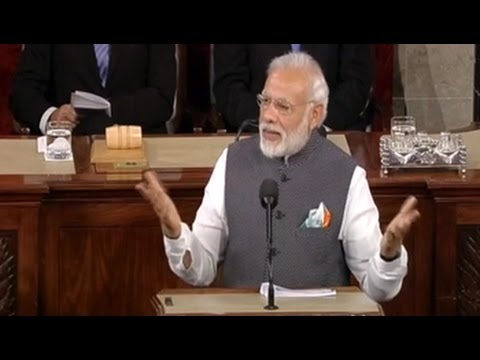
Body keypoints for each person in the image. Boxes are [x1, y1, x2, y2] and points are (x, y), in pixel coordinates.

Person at [136, 52, 419, 302]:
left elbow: (378, 289)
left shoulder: (346, 176)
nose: (268, 115)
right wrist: (175, 233)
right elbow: (201, 269)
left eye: (283, 106)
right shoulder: (231, 162)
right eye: (265, 101)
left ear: (315, 115)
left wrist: (388, 254)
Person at [10, 44, 176, 135]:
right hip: (68, 150)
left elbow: (162, 98)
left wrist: (108, 110)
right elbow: (23, 91)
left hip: (139, 145)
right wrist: (51, 117)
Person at [213, 44, 373, 132]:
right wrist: (271, 122)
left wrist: (314, 124)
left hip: (329, 131)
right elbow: (228, 85)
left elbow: (356, 81)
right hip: (259, 133)